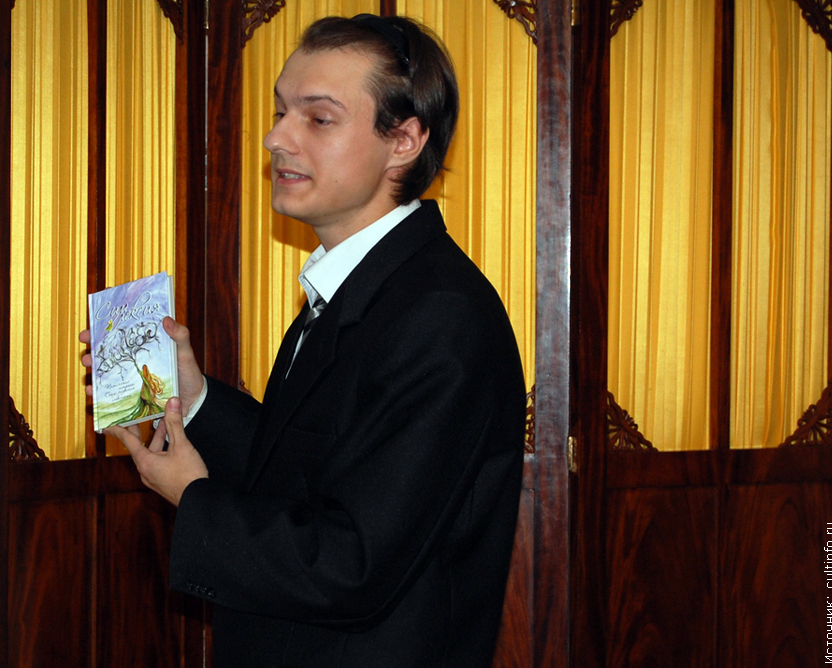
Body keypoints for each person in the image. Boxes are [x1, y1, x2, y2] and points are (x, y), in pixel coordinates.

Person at [82, 14, 525, 667]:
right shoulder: (358, 285)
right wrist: (195, 397)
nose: (276, 138)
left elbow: (353, 563)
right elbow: (309, 475)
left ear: (403, 140)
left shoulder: (440, 314)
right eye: (280, 112)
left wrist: (193, 497)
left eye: (318, 119)